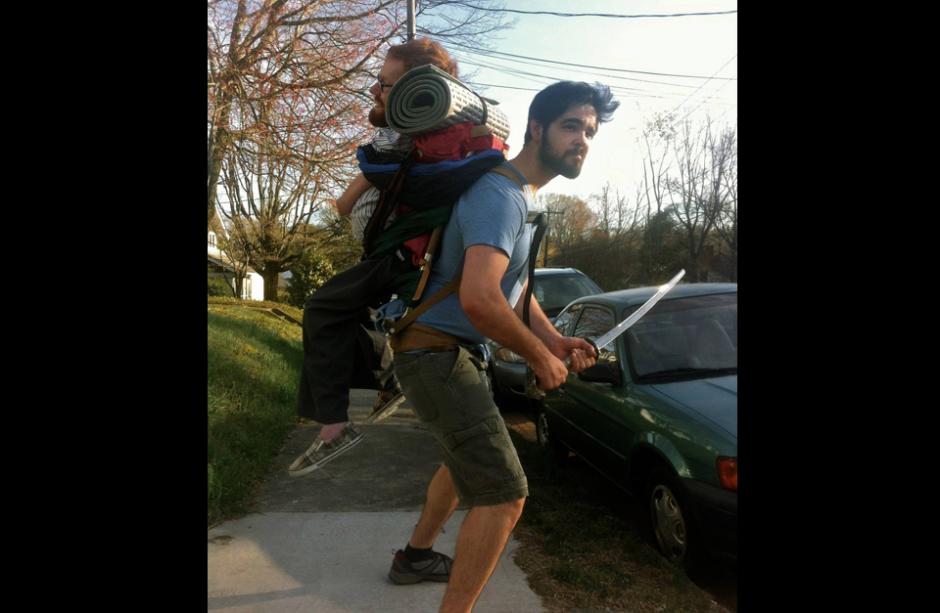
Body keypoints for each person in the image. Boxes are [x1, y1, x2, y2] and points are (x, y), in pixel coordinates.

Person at [385, 80, 619, 613]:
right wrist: (538, 358)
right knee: (505, 495)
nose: (582, 139)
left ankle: (416, 556)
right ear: (536, 128)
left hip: (445, 354)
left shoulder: (521, 195)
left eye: (590, 131)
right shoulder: (501, 194)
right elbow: (479, 300)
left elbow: (510, 294)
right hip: (436, 353)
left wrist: (553, 339)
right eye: (571, 126)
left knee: (459, 463)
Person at [288, 38, 461, 477]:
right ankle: (390, 380)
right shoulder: (420, 123)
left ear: (414, 87)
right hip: (394, 251)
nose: (375, 90)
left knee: (322, 308)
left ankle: (334, 427)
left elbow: (373, 175)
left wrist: (343, 201)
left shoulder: (412, 125)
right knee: (349, 317)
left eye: (384, 83)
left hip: (399, 254)